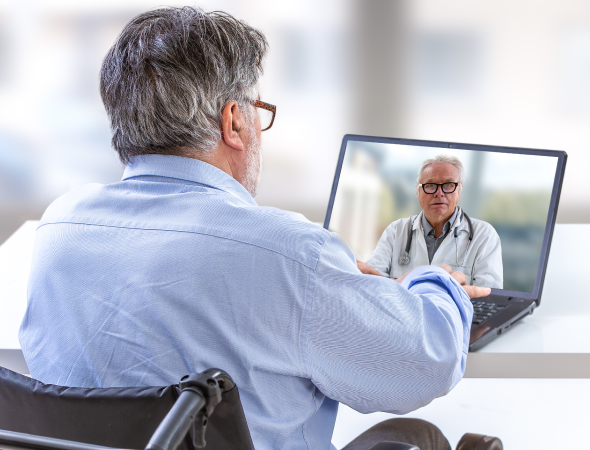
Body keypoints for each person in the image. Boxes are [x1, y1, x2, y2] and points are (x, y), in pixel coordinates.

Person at [17, 7, 502, 450]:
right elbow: (429, 360)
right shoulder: (288, 253)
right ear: (234, 121)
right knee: (423, 437)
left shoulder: (58, 228)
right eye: (257, 111)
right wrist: (435, 283)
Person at [359, 155, 504, 290]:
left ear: (459, 191)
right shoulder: (396, 231)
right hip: (401, 314)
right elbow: (372, 282)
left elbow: (488, 294)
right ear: (418, 192)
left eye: (448, 185)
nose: (439, 193)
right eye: (430, 185)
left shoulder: (484, 235)